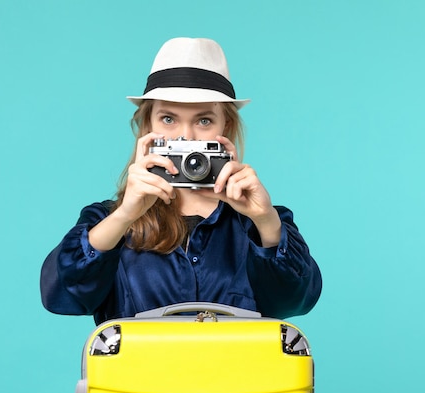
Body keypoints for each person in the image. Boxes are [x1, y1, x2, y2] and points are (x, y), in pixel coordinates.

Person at [40, 37, 322, 325]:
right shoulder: (107, 219)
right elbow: (59, 295)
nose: (185, 136)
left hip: (238, 371)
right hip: (139, 371)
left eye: (203, 121)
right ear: (147, 125)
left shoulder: (259, 223)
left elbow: (295, 302)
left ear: (226, 126)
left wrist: (266, 221)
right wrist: (125, 215)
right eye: (168, 119)